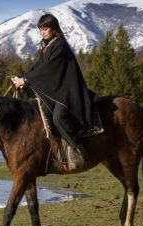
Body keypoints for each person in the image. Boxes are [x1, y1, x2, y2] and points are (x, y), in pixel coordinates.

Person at [11, 13, 97, 169]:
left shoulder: (60, 45)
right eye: (41, 29)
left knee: (59, 117)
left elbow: (48, 69)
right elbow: (38, 67)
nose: (43, 32)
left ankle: (78, 148)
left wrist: (27, 81)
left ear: (54, 29)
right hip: (57, 91)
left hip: (67, 92)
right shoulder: (46, 46)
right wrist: (22, 78)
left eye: (46, 28)